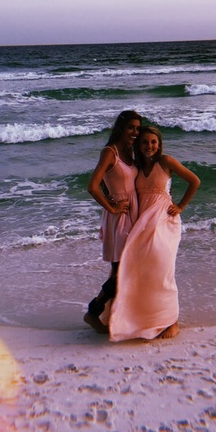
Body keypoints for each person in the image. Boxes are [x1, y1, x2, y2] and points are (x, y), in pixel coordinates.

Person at [109, 125, 200, 341]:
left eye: (153, 142)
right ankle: (142, 318)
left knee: (162, 269)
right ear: (138, 145)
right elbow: (115, 180)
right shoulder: (137, 167)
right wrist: (112, 202)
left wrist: (181, 206)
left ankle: (172, 321)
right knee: (142, 271)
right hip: (143, 222)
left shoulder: (165, 162)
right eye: (144, 142)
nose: (149, 146)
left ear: (159, 144)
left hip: (164, 221)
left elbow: (194, 181)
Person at [84, 110, 142, 333]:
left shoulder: (129, 150)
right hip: (119, 218)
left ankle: (119, 316)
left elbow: (114, 181)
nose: (135, 132)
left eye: (137, 128)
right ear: (120, 127)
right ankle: (93, 311)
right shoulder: (110, 152)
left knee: (126, 269)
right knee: (122, 271)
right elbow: (92, 186)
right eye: (130, 128)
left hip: (132, 215)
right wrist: (112, 206)